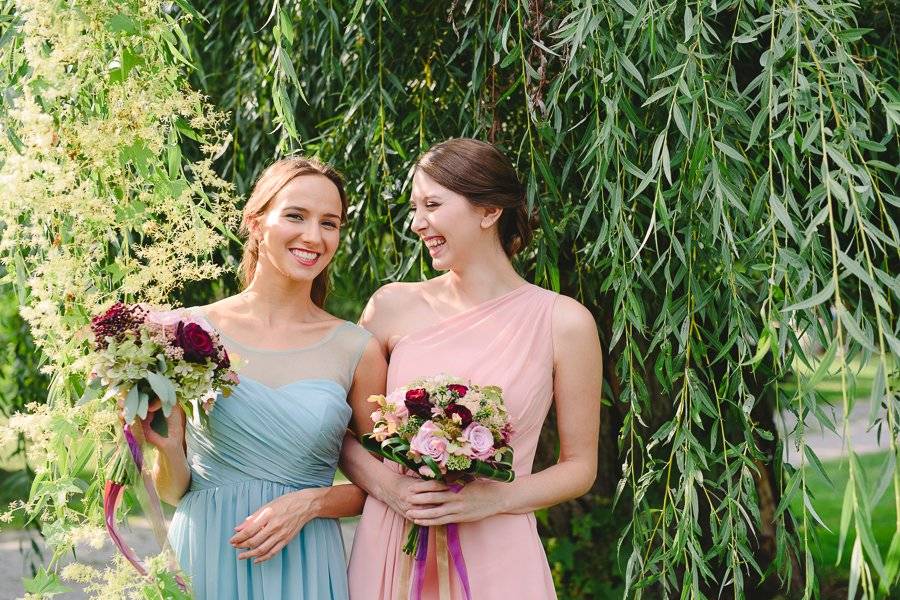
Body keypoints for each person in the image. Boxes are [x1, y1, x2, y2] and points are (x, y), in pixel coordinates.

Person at [342, 138, 601, 599]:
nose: (418, 223)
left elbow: (579, 466)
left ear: (488, 212)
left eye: (433, 205)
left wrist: (496, 498)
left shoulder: (564, 322)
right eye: (415, 207)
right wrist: (391, 489)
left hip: (499, 541)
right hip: (395, 539)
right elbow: (348, 436)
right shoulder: (391, 306)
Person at [139, 156, 386, 599]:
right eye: (295, 216)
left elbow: (385, 488)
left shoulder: (357, 349)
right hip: (207, 552)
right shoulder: (186, 333)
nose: (313, 236)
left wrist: (310, 503)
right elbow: (175, 492)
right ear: (255, 223)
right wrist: (166, 449)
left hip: (305, 559)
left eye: (329, 223)